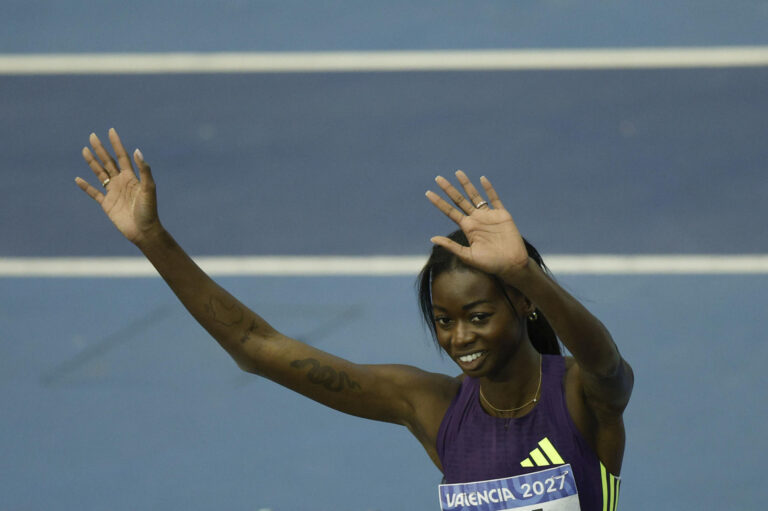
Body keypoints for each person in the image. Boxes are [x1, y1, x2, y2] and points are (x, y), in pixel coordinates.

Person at [76, 128, 633, 511]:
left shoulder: (582, 395)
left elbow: (606, 361)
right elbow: (255, 346)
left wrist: (526, 273)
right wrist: (153, 240)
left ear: (523, 303)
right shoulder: (431, 406)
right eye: (443, 320)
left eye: (478, 315)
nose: (459, 337)